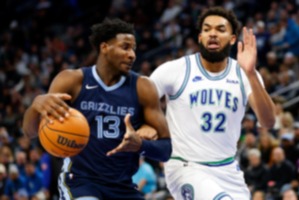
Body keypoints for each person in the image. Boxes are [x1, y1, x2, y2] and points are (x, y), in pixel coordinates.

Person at [22, 18, 172, 200]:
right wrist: (36, 105)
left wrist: (140, 145)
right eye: (125, 47)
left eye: (133, 49)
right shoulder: (72, 81)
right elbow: (30, 132)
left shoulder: (143, 87)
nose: (132, 54)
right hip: (80, 182)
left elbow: (166, 150)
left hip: (123, 186)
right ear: (104, 47)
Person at [150, 7, 275, 199]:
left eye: (220, 29)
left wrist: (251, 73)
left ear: (233, 39)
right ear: (200, 37)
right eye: (207, 29)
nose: (213, 34)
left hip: (228, 169)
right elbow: (141, 98)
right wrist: (147, 126)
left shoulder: (245, 74)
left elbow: (268, 122)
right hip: (185, 166)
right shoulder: (175, 70)